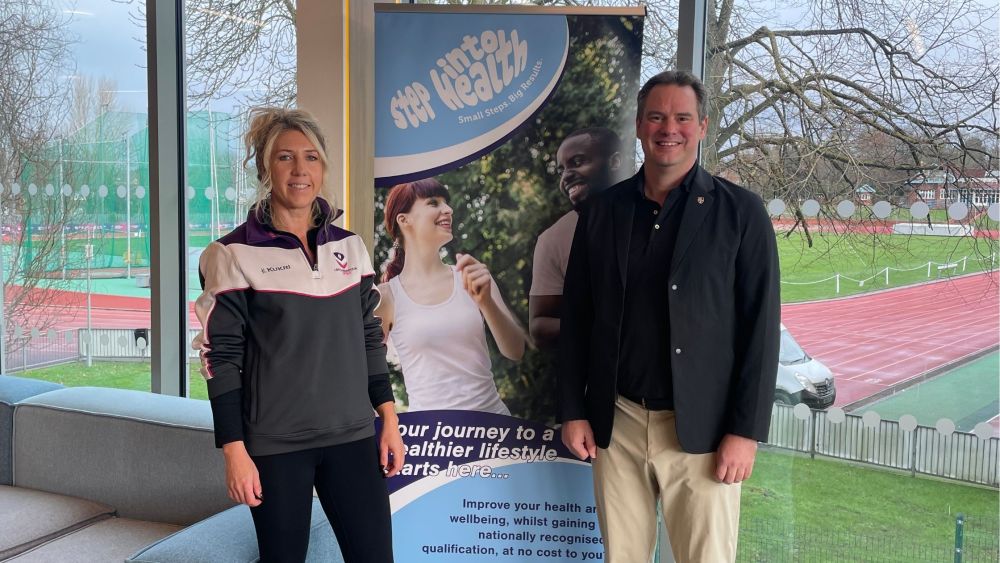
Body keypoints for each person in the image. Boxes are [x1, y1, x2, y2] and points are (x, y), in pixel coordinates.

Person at [558, 70, 781, 562]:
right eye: (656, 117)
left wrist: (745, 432)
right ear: (639, 126)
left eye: (682, 117)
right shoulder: (602, 212)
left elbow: (760, 331)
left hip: (703, 431)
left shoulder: (742, 213)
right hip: (617, 424)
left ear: (701, 126)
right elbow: (577, 318)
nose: (669, 128)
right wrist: (574, 409)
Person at [193, 107, 401, 563]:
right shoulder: (231, 254)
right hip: (274, 445)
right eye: (285, 157)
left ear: (324, 167)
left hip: (352, 437)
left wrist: (387, 416)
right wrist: (233, 450)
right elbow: (219, 357)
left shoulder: (351, 246)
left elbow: (369, 337)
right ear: (266, 169)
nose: (300, 169)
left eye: (310, 157)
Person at [376, 178, 526, 414]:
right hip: (433, 442)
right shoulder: (386, 297)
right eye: (433, 202)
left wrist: (486, 302)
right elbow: (364, 372)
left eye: (446, 203)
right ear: (404, 220)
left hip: (494, 433)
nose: (448, 210)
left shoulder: (471, 275)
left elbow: (515, 350)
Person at [529, 127, 623, 349]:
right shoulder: (552, 240)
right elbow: (539, 327)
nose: (566, 175)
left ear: (615, 162)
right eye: (562, 169)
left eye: (578, 162)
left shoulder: (658, 213)